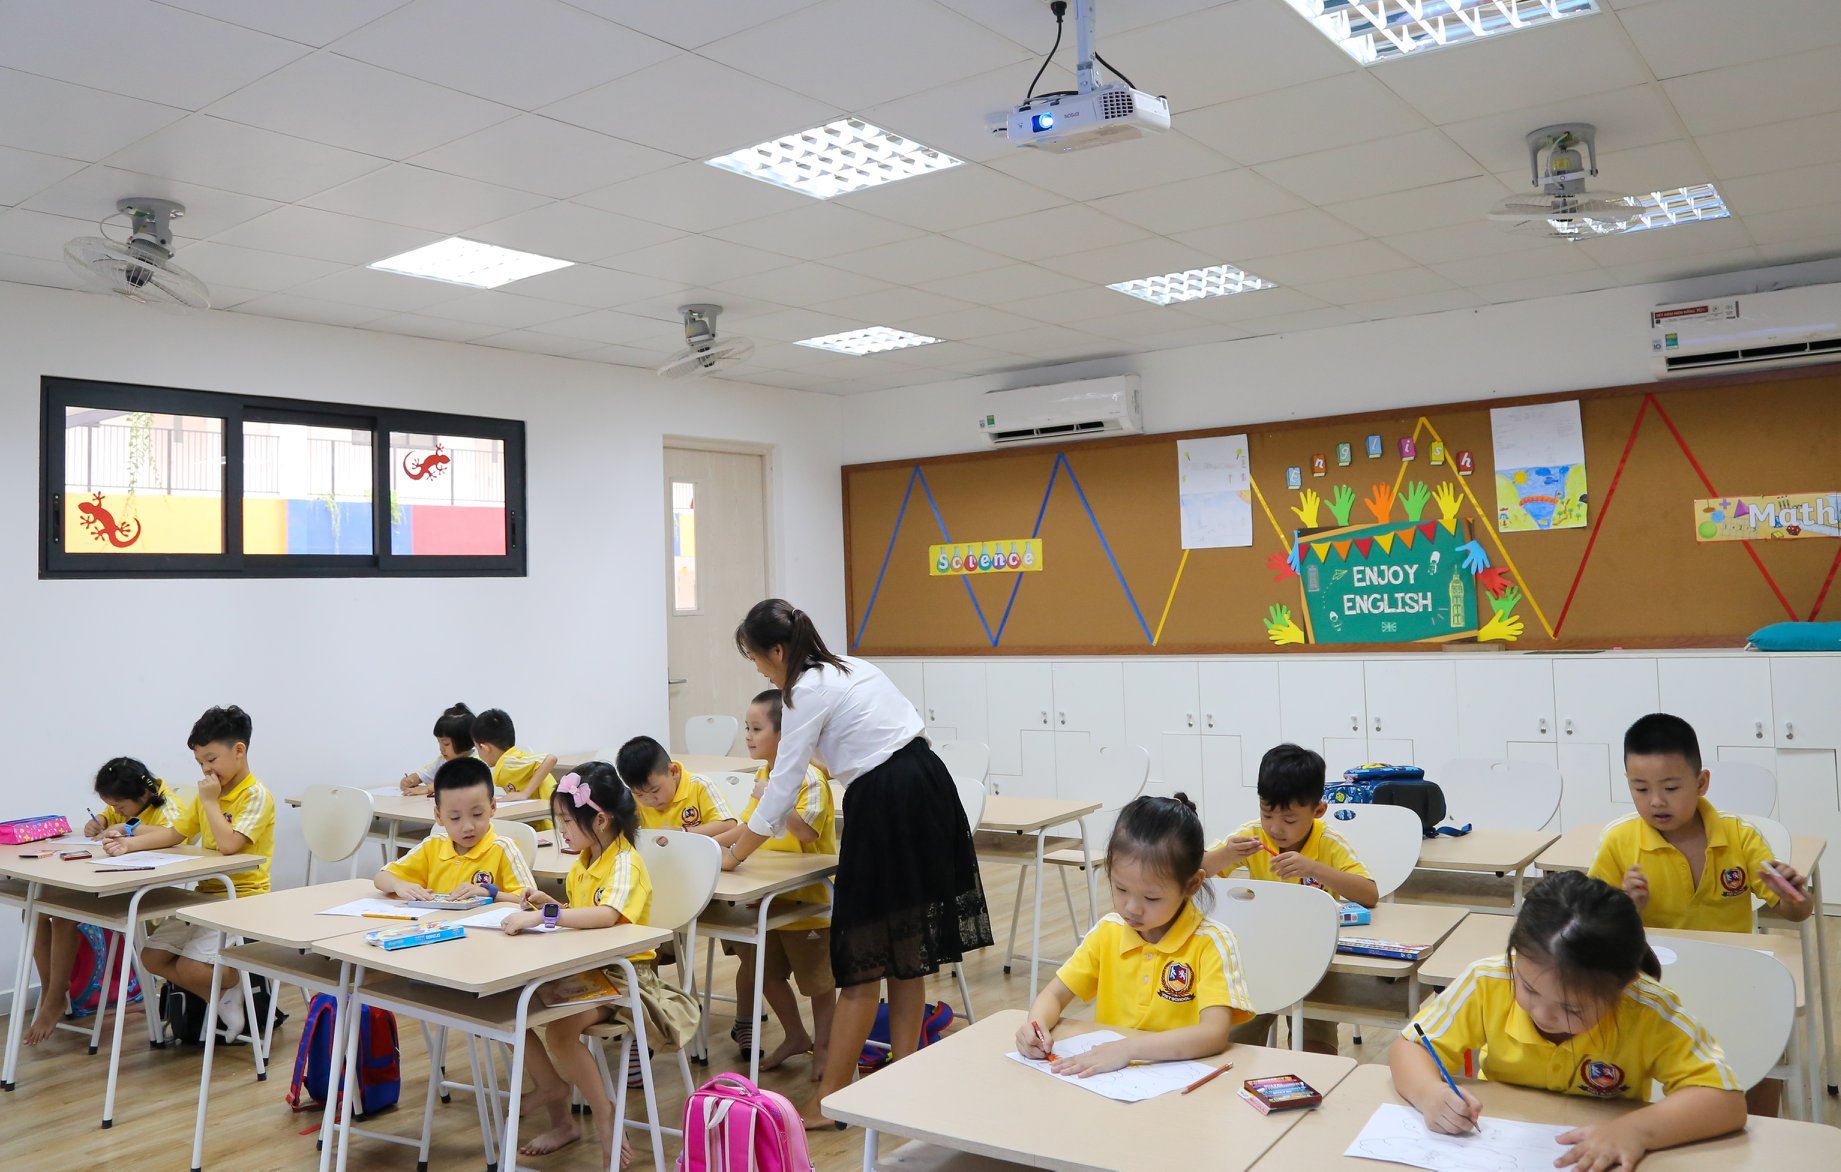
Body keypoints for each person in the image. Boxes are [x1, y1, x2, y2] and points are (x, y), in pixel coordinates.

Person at [722, 599, 992, 1130]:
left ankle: (832, 1102)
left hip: (887, 802)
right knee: (906, 954)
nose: (759, 670)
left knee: (863, 959)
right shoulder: (849, 667)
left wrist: (733, 855)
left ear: (776, 651)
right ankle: (903, 1082)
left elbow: (782, 788)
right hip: (927, 784)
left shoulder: (803, 691)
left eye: (756, 659)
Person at [1393, 871, 1744, 1168]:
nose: (1542, 1014)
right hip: (1500, 1145)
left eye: (1572, 1009)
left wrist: (1635, 1130)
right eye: (1529, 988)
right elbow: (1410, 1047)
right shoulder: (1489, 981)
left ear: (1623, 988)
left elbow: (1725, 1101)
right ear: (1515, 954)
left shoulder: (1647, 1009)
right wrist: (1429, 1094)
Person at [1589, 711, 1811, 1115]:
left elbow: (1797, 912)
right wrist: (1626, 909)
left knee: (1766, 1040)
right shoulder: (1620, 843)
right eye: (1640, 788)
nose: (1656, 801)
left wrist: (1795, 896)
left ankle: (1759, 1126)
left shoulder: (1739, 836)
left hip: (1734, 976)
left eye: (1671, 787)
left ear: (1701, 782)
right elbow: (1593, 929)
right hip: (1656, 981)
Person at [501, 763, 698, 1167]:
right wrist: (549, 904)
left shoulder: (626, 862)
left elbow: (607, 915)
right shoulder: (588, 859)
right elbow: (584, 912)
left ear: (602, 820)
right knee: (507, 1011)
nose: (561, 830)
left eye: (566, 821)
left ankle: (605, 1113)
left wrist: (546, 917)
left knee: (559, 1033)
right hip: (587, 969)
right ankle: (556, 1100)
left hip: (625, 979)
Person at [1016, 794, 1252, 1075]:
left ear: (1192, 885)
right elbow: (1054, 996)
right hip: (1110, 1080)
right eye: (1121, 889)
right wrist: (1035, 1027)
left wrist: (1128, 1049)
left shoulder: (1210, 943)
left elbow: (1213, 1033)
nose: (1131, 908)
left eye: (1151, 898)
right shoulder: (1108, 932)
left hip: (1179, 1079)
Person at [133, 705, 276, 1044]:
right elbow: (175, 833)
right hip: (206, 895)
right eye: (200, 763)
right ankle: (224, 995)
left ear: (239, 750)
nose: (206, 769)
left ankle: (236, 981)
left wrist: (211, 802)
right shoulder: (208, 795)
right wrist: (127, 843)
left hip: (243, 899)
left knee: (190, 968)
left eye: (211, 759)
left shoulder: (255, 795)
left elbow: (229, 845)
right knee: (151, 957)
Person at [713, 689, 837, 1077]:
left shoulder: (809, 777)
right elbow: (749, 827)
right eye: (747, 728)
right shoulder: (766, 773)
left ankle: (826, 1049)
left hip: (808, 899)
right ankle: (796, 1035)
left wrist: (775, 798)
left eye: (756, 729)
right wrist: (707, 847)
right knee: (763, 973)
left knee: (818, 983)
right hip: (767, 895)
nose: (748, 737)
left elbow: (806, 833)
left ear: (784, 734)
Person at [26, 757, 181, 1045]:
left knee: (63, 914)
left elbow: (173, 835)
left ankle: (55, 996)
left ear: (143, 794)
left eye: (120, 806)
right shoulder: (127, 803)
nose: (116, 811)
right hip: (113, 879)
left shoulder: (169, 805)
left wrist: (126, 829)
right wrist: (99, 822)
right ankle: (52, 990)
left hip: (146, 889)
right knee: (34, 911)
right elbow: (109, 817)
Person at [1201, 743, 1379, 909]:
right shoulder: (1253, 834)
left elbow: (1370, 895)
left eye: (1289, 820)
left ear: (1318, 811)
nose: (1274, 829)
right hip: (1263, 923)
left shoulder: (1327, 841)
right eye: (1267, 815)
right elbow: (1194, 871)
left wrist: (1314, 869)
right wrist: (1226, 854)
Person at [374, 757, 534, 901]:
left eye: (477, 814)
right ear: (439, 816)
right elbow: (381, 877)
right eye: (455, 818)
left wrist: (488, 893)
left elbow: (531, 900)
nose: (468, 827)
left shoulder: (503, 849)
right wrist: (399, 885)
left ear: (492, 807)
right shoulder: (432, 846)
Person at [614, 736, 738, 836]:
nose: (649, 800)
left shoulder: (699, 786)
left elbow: (729, 825)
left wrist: (682, 833)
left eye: (655, 790)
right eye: (639, 795)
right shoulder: (634, 799)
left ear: (673, 771)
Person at [472, 707, 556, 828]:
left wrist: (525, 793)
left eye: (477, 749)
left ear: (485, 748)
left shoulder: (510, 762)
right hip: (542, 818)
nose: (479, 754)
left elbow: (551, 759)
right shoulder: (508, 760)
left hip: (551, 820)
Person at [397, 701, 476, 796]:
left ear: (464, 741)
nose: (441, 749)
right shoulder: (442, 761)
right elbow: (425, 773)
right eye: (439, 742)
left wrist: (428, 788)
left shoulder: (477, 762)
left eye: (446, 744)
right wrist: (411, 780)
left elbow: (458, 783)